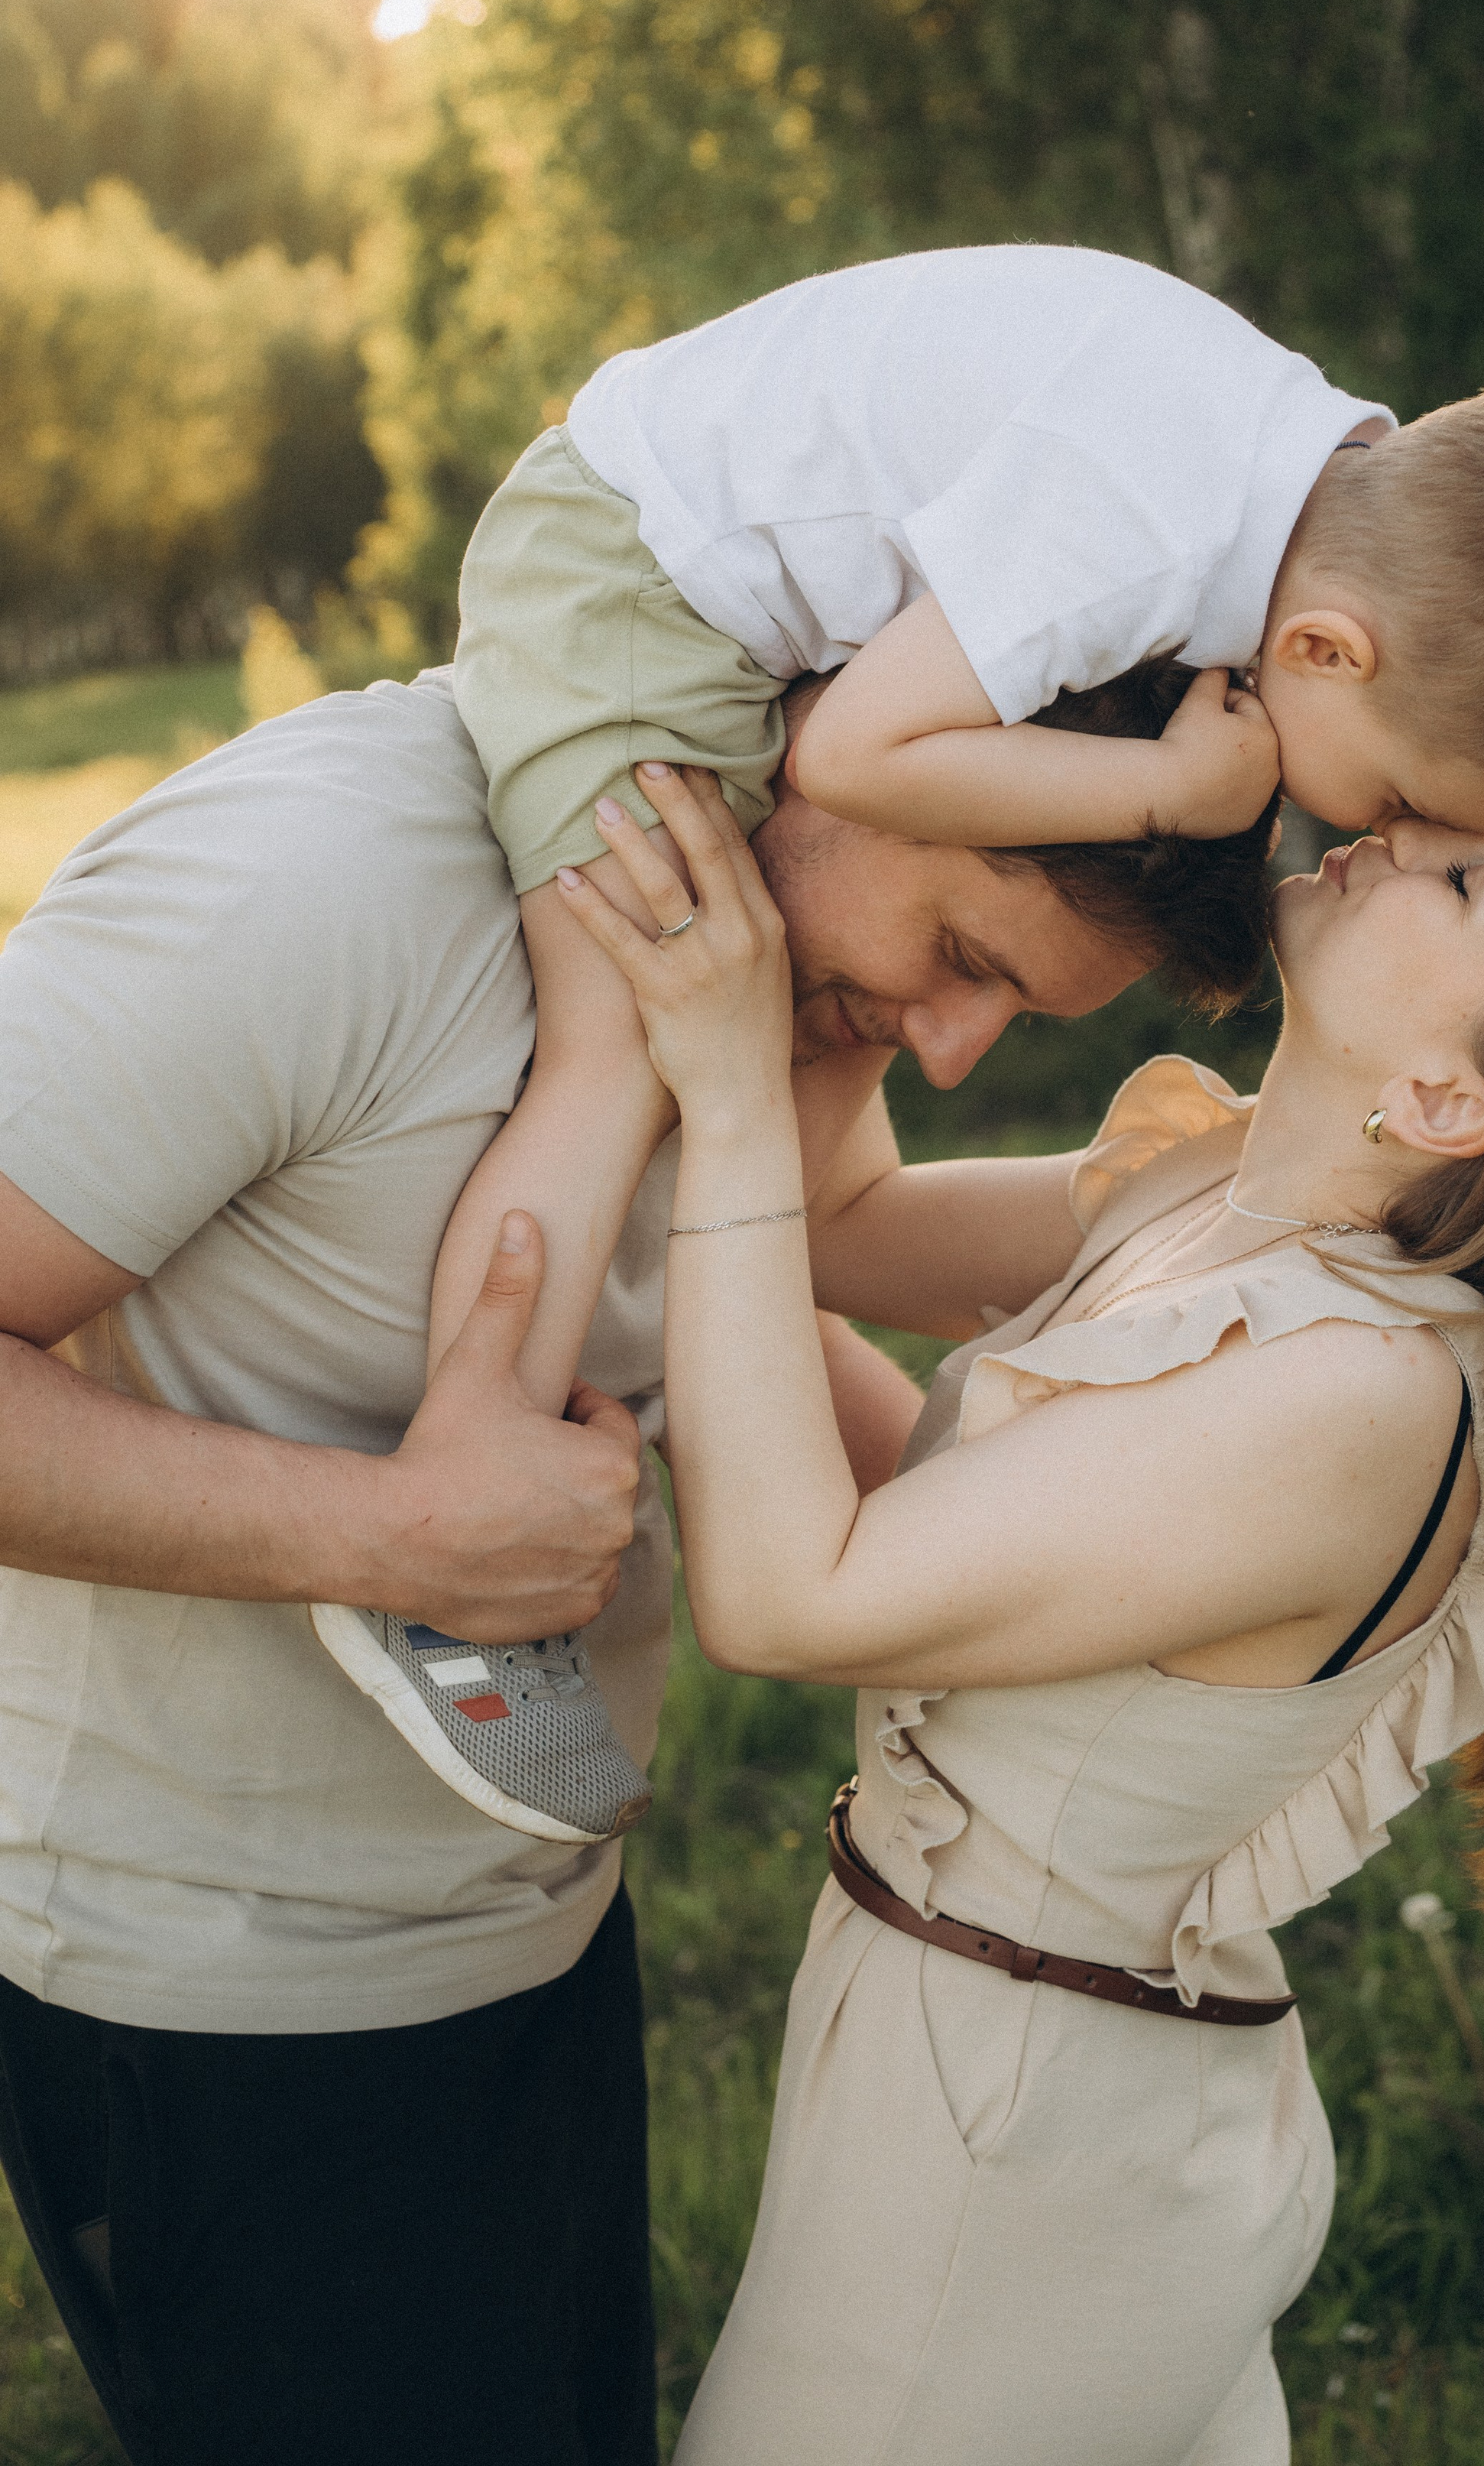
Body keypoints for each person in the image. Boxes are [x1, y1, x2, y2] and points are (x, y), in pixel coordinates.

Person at [0, 658, 1271, 2466]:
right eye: (969, 958)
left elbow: (775, 1274)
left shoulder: (776, 960)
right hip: (221, 1990)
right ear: (863, 751)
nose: (949, 1045)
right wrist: (394, 1535)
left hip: (530, 1926)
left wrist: (1251, 1314)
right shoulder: (322, 883)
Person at [326, 244, 1484, 1841]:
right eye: (1414, 807)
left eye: (1440, 849)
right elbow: (857, 752)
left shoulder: (1286, 487)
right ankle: (441, 1526)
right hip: (632, 572)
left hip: (665, 562)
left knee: (628, 1051)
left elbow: (844, 1235)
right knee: (605, 1057)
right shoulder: (1148, 518)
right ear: (1331, 648)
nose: (1375, 839)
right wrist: (1151, 800)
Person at [560, 761, 1484, 2466]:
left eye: (1470, 883)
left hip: (1015, 2162)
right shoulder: (1231, 1192)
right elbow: (848, 1231)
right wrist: (884, 889)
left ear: (1444, 1099)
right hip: (977, 2063)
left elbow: (790, 1591)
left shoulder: (1365, 1402)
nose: (1406, 826)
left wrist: (731, 1088)